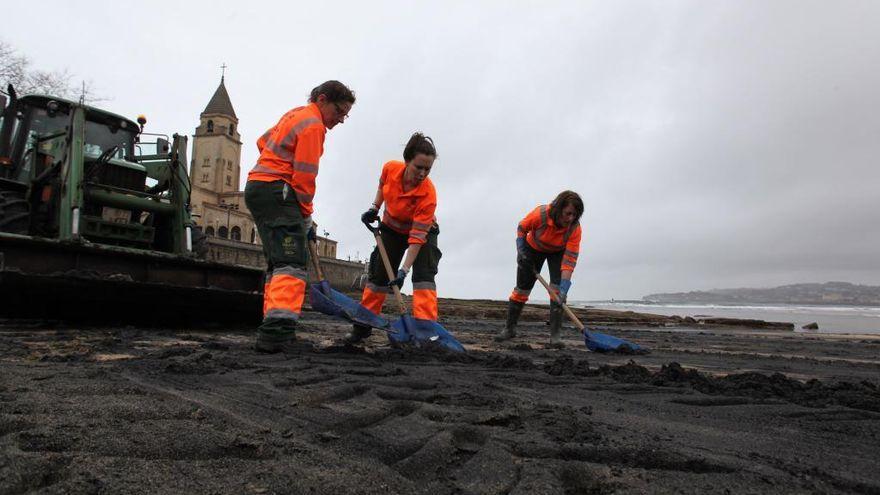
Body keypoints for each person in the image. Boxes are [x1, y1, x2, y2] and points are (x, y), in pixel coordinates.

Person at [244, 80, 355, 353]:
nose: (341, 120)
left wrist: (273, 163)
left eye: (345, 115)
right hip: (277, 190)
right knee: (292, 264)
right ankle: (278, 334)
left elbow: (262, 142)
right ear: (322, 99)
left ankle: (272, 325)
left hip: (258, 186)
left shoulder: (294, 114)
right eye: (339, 112)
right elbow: (305, 176)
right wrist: (306, 215)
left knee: (278, 264)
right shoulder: (314, 125)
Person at [346, 132, 441, 343]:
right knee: (378, 277)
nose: (423, 173)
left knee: (424, 278)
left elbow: (417, 238)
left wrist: (403, 271)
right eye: (419, 167)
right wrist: (374, 207)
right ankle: (363, 325)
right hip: (391, 228)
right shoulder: (390, 168)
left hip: (423, 232)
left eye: (428, 169)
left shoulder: (428, 194)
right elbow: (382, 186)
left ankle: (425, 332)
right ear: (407, 161)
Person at [495, 191, 584, 347]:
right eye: (568, 213)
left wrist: (564, 287)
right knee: (522, 290)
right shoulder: (541, 215)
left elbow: (569, 259)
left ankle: (555, 337)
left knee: (557, 293)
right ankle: (509, 329)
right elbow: (522, 228)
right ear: (559, 208)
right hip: (533, 248)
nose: (570, 218)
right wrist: (522, 251)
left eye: (574, 215)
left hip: (558, 253)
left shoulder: (574, 228)